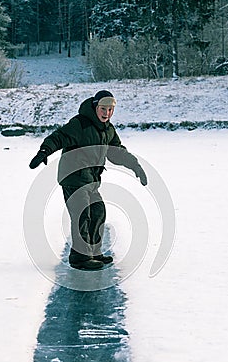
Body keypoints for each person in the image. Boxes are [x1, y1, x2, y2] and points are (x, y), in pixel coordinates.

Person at [29, 90, 147, 270]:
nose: (106, 113)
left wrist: (135, 166)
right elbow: (59, 137)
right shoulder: (80, 124)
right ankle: (80, 258)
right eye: (103, 108)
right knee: (82, 213)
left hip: (91, 179)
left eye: (110, 110)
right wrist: (44, 151)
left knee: (98, 211)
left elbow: (117, 152)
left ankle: (93, 253)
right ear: (95, 107)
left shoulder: (108, 130)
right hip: (73, 177)